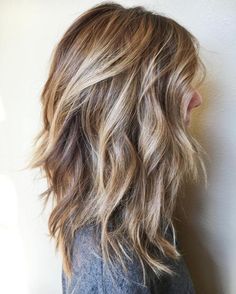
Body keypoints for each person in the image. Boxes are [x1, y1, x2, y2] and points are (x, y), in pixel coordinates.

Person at [29, 2, 207, 293]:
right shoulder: (111, 266)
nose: (196, 98)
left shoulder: (135, 218)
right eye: (179, 83)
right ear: (133, 107)